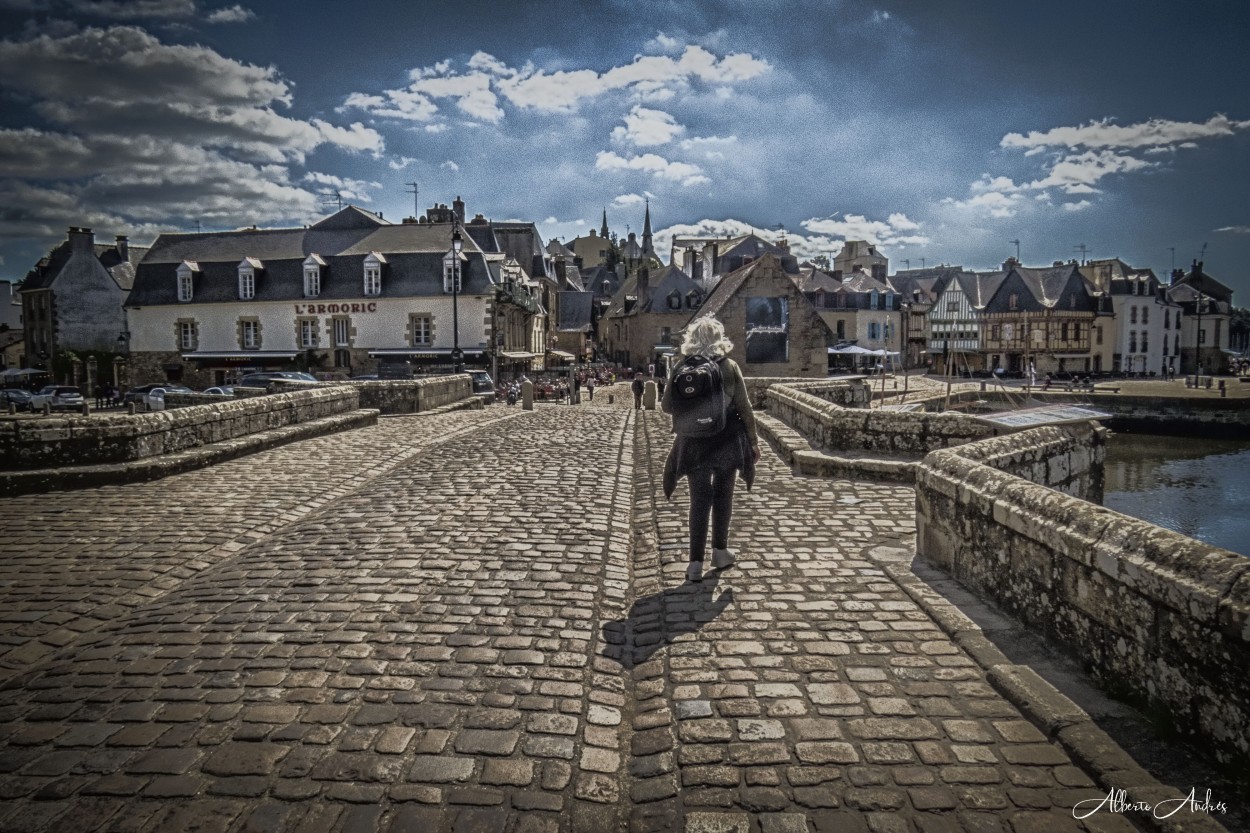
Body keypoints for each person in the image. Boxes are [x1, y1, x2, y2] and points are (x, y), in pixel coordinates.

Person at [661, 317, 760, 583]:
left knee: (699, 499)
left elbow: (666, 406)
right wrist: (753, 441)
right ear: (719, 339)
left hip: (693, 442)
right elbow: (744, 408)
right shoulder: (730, 367)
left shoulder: (681, 366)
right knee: (723, 495)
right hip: (726, 440)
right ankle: (720, 552)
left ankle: (694, 564)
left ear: (692, 339)